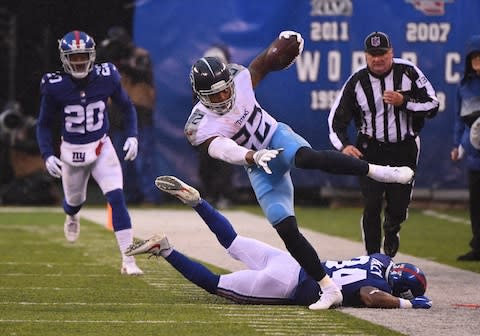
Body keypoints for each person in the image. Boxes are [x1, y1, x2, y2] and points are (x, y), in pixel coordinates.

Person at [184, 30, 415, 310]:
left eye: (224, 88)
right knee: (285, 227)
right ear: (200, 96)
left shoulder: (240, 79)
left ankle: (378, 171)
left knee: (306, 157)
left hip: (277, 138)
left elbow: (264, 63)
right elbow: (223, 149)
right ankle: (328, 289)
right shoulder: (200, 126)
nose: (222, 96)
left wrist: (281, 49)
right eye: (214, 94)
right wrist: (252, 156)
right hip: (258, 165)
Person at [126, 175, 432, 309]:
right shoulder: (379, 285)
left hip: (293, 263)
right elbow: (370, 295)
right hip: (290, 286)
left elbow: (369, 281)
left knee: (233, 242)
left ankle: (199, 203)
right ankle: (164, 248)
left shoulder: (378, 260)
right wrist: (407, 303)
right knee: (215, 283)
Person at [36, 30, 143, 275]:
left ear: (92, 55)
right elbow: (43, 124)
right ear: (64, 59)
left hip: (101, 145)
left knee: (116, 198)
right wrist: (47, 154)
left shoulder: (107, 77)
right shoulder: (55, 85)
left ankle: (128, 261)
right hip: (71, 151)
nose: (78, 62)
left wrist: (133, 136)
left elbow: (128, 108)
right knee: (74, 203)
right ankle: (72, 217)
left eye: (83, 56)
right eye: (73, 58)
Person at [328, 31, 439, 258]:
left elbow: (432, 105)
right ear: (365, 55)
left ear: (392, 53)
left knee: (398, 205)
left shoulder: (407, 71)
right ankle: (372, 258)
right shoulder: (357, 81)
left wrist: (404, 101)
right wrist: (344, 146)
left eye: (382, 54)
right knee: (371, 205)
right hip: (370, 149)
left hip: (404, 147)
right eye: (372, 54)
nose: (377, 59)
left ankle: (392, 228)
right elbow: (336, 121)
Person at [96, 26, 160, 204]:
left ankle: (150, 197)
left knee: (143, 158)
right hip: (116, 111)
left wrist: (121, 62)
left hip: (140, 110)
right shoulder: (107, 58)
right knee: (118, 158)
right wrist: (107, 55)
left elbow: (141, 73)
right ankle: (125, 196)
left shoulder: (140, 55)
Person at [451, 35, 480, 261]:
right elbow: (460, 120)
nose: (478, 62)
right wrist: (457, 145)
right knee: (476, 203)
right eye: (475, 58)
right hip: (473, 155)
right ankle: (478, 246)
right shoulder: (464, 87)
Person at [197, 44, 234, 208]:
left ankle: (224, 195)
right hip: (209, 128)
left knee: (225, 162)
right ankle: (210, 194)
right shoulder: (200, 84)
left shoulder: (233, 81)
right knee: (206, 163)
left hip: (226, 126)